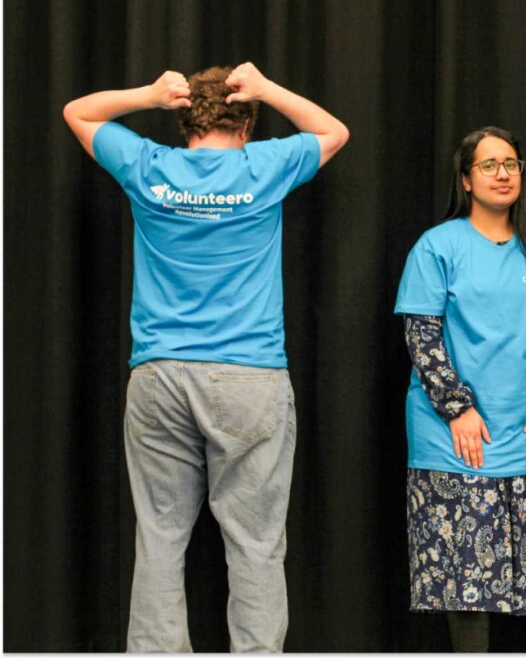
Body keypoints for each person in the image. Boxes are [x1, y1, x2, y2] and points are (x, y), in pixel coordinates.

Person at [62, 63, 350, 651]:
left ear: (185, 122)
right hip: (250, 376)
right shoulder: (263, 165)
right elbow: (334, 132)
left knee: (160, 538)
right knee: (255, 544)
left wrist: (148, 95)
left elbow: (77, 112)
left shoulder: (150, 165)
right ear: (245, 126)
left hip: (159, 375)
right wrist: (267, 88)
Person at [395, 127, 526, 653]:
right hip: (454, 440)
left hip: (525, 440)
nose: (503, 174)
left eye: (511, 164)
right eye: (488, 165)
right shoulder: (438, 246)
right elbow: (422, 336)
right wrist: (457, 408)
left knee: (519, 584)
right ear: (465, 179)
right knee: (465, 585)